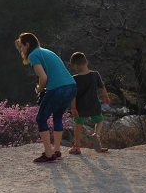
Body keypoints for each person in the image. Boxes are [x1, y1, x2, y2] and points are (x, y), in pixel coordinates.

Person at [15, 32, 77, 163]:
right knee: (58, 116)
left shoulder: (33, 55)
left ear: (27, 44)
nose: (21, 49)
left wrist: (39, 89)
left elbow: (43, 77)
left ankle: (49, 154)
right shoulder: (47, 51)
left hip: (57, 88)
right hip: (71, 86)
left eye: (21, 46)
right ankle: (57, 151)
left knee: (41, 119)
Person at [68, 51, 111, 154]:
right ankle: (96, 135)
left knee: (78, 125)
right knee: (99, 120)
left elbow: (73, 96)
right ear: (87, 62)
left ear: (75, 66)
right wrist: (106, 97)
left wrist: (73, 108)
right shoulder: (95, 74)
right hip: (94, 104)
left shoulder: (74, 79)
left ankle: (77, 147)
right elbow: (102, 87)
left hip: (80, 107)